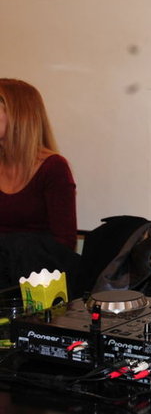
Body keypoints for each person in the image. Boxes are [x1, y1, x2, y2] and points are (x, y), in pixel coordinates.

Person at [0, 78, 80, 294]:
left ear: (18, 116)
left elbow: (64, 244)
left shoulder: (53, 167)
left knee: (20, 246)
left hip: (35, 278)